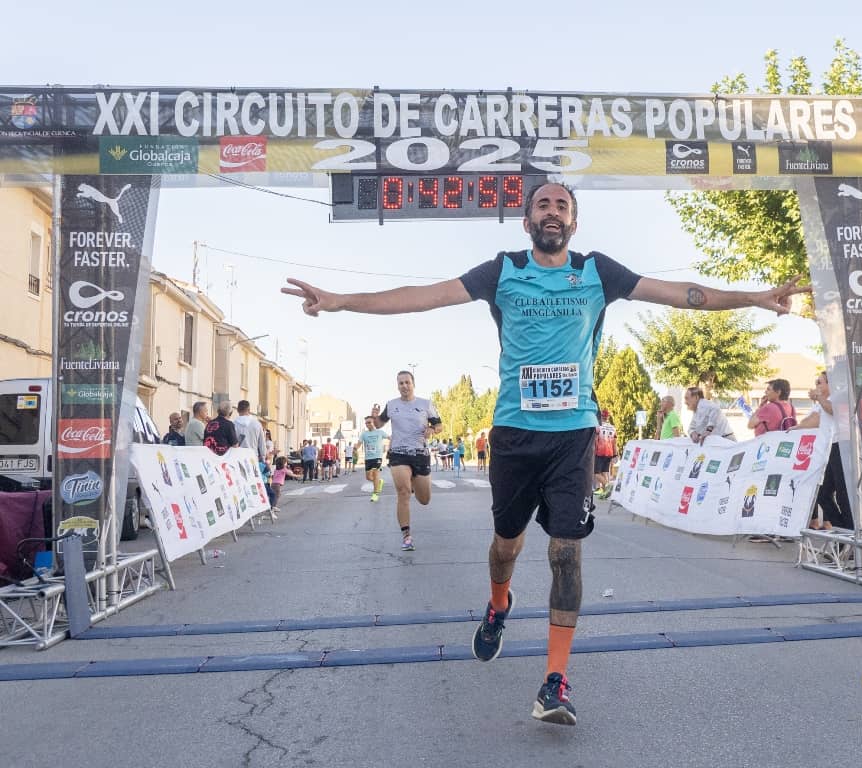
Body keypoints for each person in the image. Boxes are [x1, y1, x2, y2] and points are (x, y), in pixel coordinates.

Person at [282, 180, 806, 726]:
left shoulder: (598, 271)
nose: (552, 212)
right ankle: (498, 604)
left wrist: (754, 297)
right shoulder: (503, 270)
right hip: (514, 433)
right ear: (527, 220)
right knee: (505, 546)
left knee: (566, 551)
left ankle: (555, 681)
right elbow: (422, 296)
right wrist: (341, 302)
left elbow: (683, 294)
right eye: (542, 205)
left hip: (573, 434)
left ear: (573, 223)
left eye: (562, 206)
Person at [368, 371, 442, 551]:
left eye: (407, 382)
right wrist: (374, 417)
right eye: (401, 383)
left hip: (420, 454)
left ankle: (414, 482)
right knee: (403, 492)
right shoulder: (392, 405)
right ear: (397, 386)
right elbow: (378, 424)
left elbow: (439, 425)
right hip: (398, 453)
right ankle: (406, 536)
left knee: (424, 499)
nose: (404, 386)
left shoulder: (425, 404)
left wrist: (432, 430)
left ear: (413, 384)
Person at [795, 372, 853, 530]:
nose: (816, 385)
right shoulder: (823, 401)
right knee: (822, 492)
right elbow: (812, 420)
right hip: (829, 447)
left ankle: (848, 531)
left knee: (842, 493)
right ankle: (842, 528)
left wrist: (819, 398)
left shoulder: (841, 394)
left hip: (842, 445)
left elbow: (833, 410)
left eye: (819, 382)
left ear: (830, 384)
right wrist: (796, 428)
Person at [360, 415, 388, 501]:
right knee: (368, 477)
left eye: (369, 422)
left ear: (374, 423)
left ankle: (375, 494)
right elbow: (359, 443)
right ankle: (379, 482)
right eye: (366, 423)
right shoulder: (364, 434)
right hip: (368, 458)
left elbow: (390, 437)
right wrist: (355, 447)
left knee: (375, 474)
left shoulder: (380, 432)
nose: (367, 424)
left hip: (377, 457)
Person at [593, 410, 617, 499]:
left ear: (600, 416)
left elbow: (595, 440)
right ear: (608, 417)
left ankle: (607, 486)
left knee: (596, 473)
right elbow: (614, 443)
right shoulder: (613, 428)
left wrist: (593, 451)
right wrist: (615, 454)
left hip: (600, 452)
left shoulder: (598, 427)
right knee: (605, 472)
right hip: (609, 452)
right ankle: (605, 494)